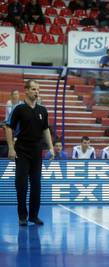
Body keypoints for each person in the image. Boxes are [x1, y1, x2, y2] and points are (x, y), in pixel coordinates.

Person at [5, 80, 54, 226]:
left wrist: (50, 147)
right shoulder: (19, 109)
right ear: (26, 90)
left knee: (36, 185)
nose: (36, 92)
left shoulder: (42, 110)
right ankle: (22, 216)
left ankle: (34, 216)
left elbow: (46, 129)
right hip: (22, 150)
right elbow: (8, 127)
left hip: (37, 151)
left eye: (38, 89)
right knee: (21, 184)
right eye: (33, 89)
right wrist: (11, 148)